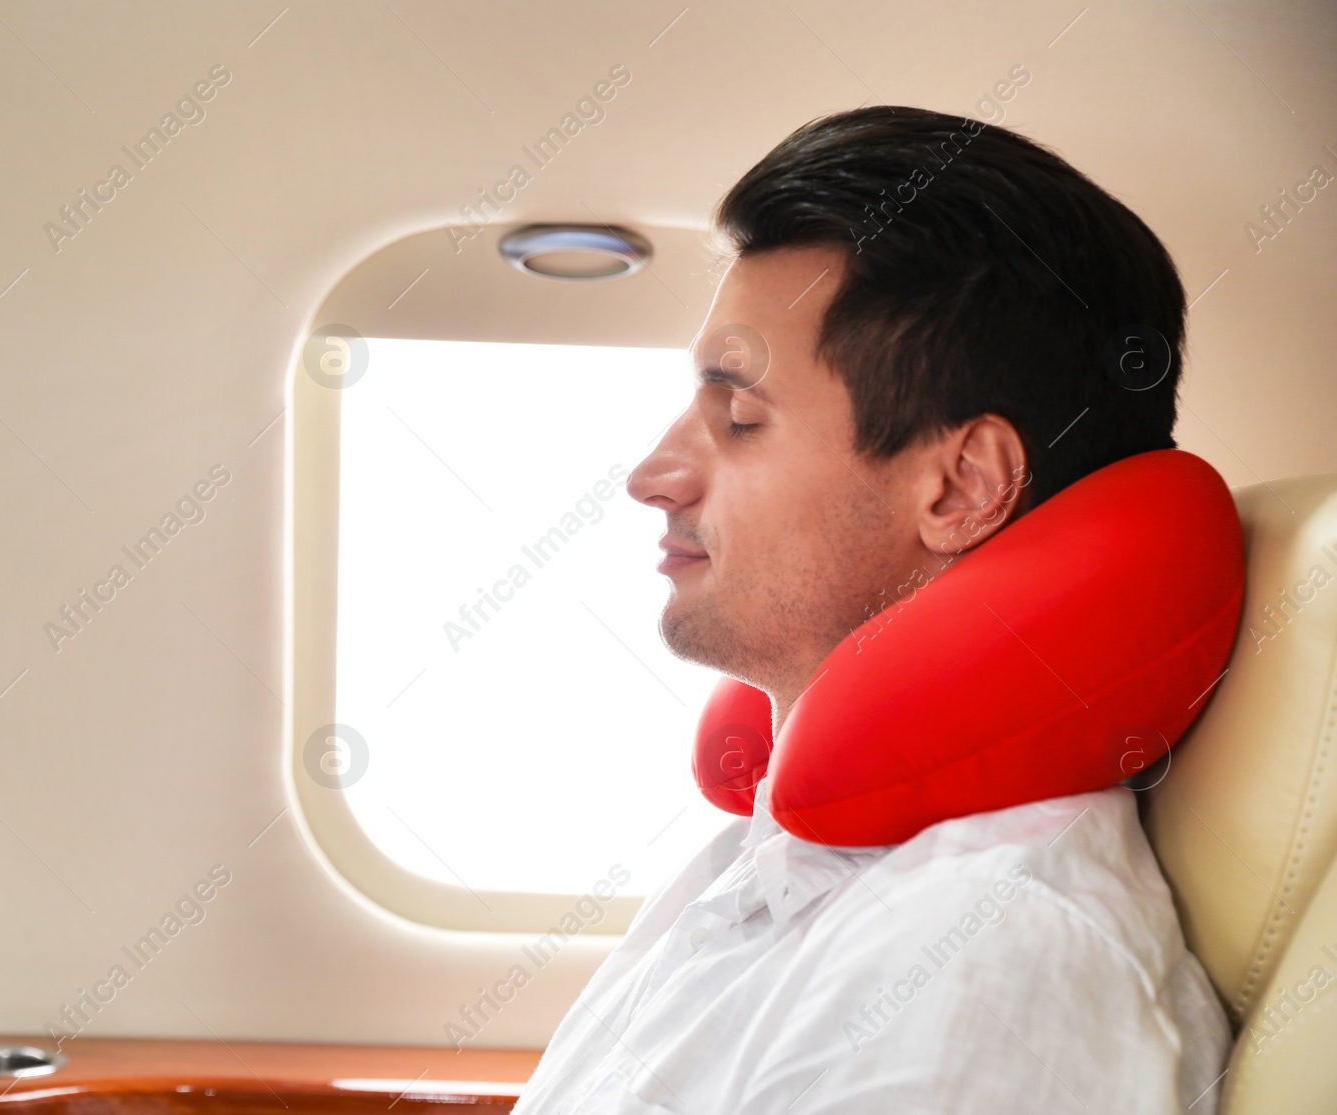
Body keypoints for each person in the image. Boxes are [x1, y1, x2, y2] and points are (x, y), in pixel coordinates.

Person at [509, 106, 1230, 1114]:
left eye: (740, 417)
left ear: (959, 485)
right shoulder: (766, 859)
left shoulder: (982, 957)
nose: (652, 474)